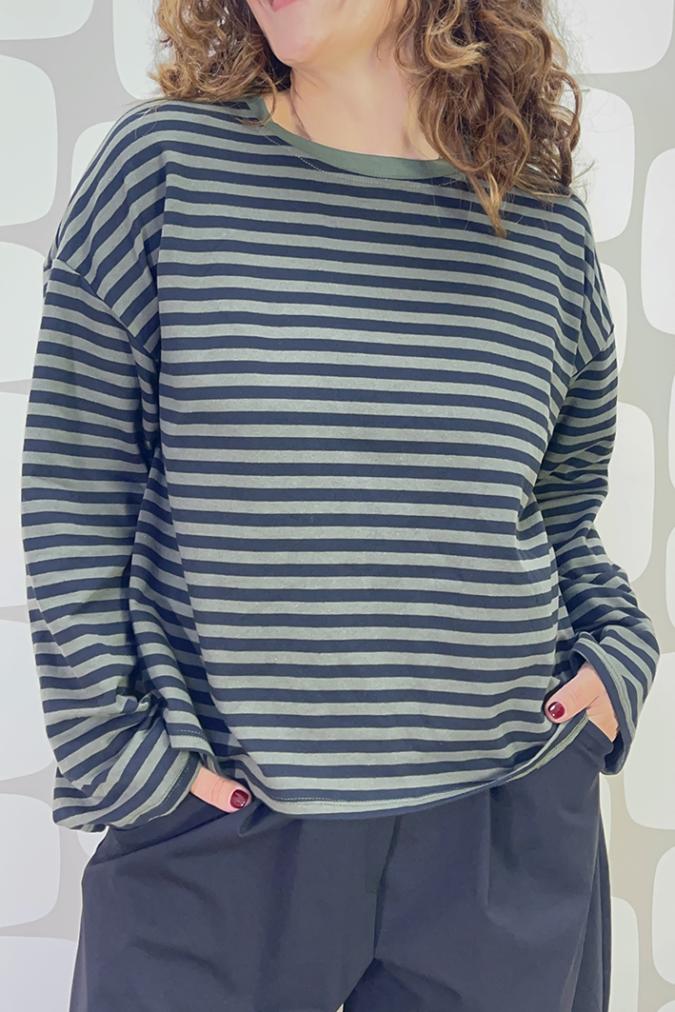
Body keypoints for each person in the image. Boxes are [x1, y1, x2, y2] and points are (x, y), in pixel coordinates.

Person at [20, 1, 660, 1009]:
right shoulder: (165, 173)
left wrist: (617, 657)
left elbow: (562, 505)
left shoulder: (541, 227)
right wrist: (121, 754)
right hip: (219, 823)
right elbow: (74, 491)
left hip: (503, 822)